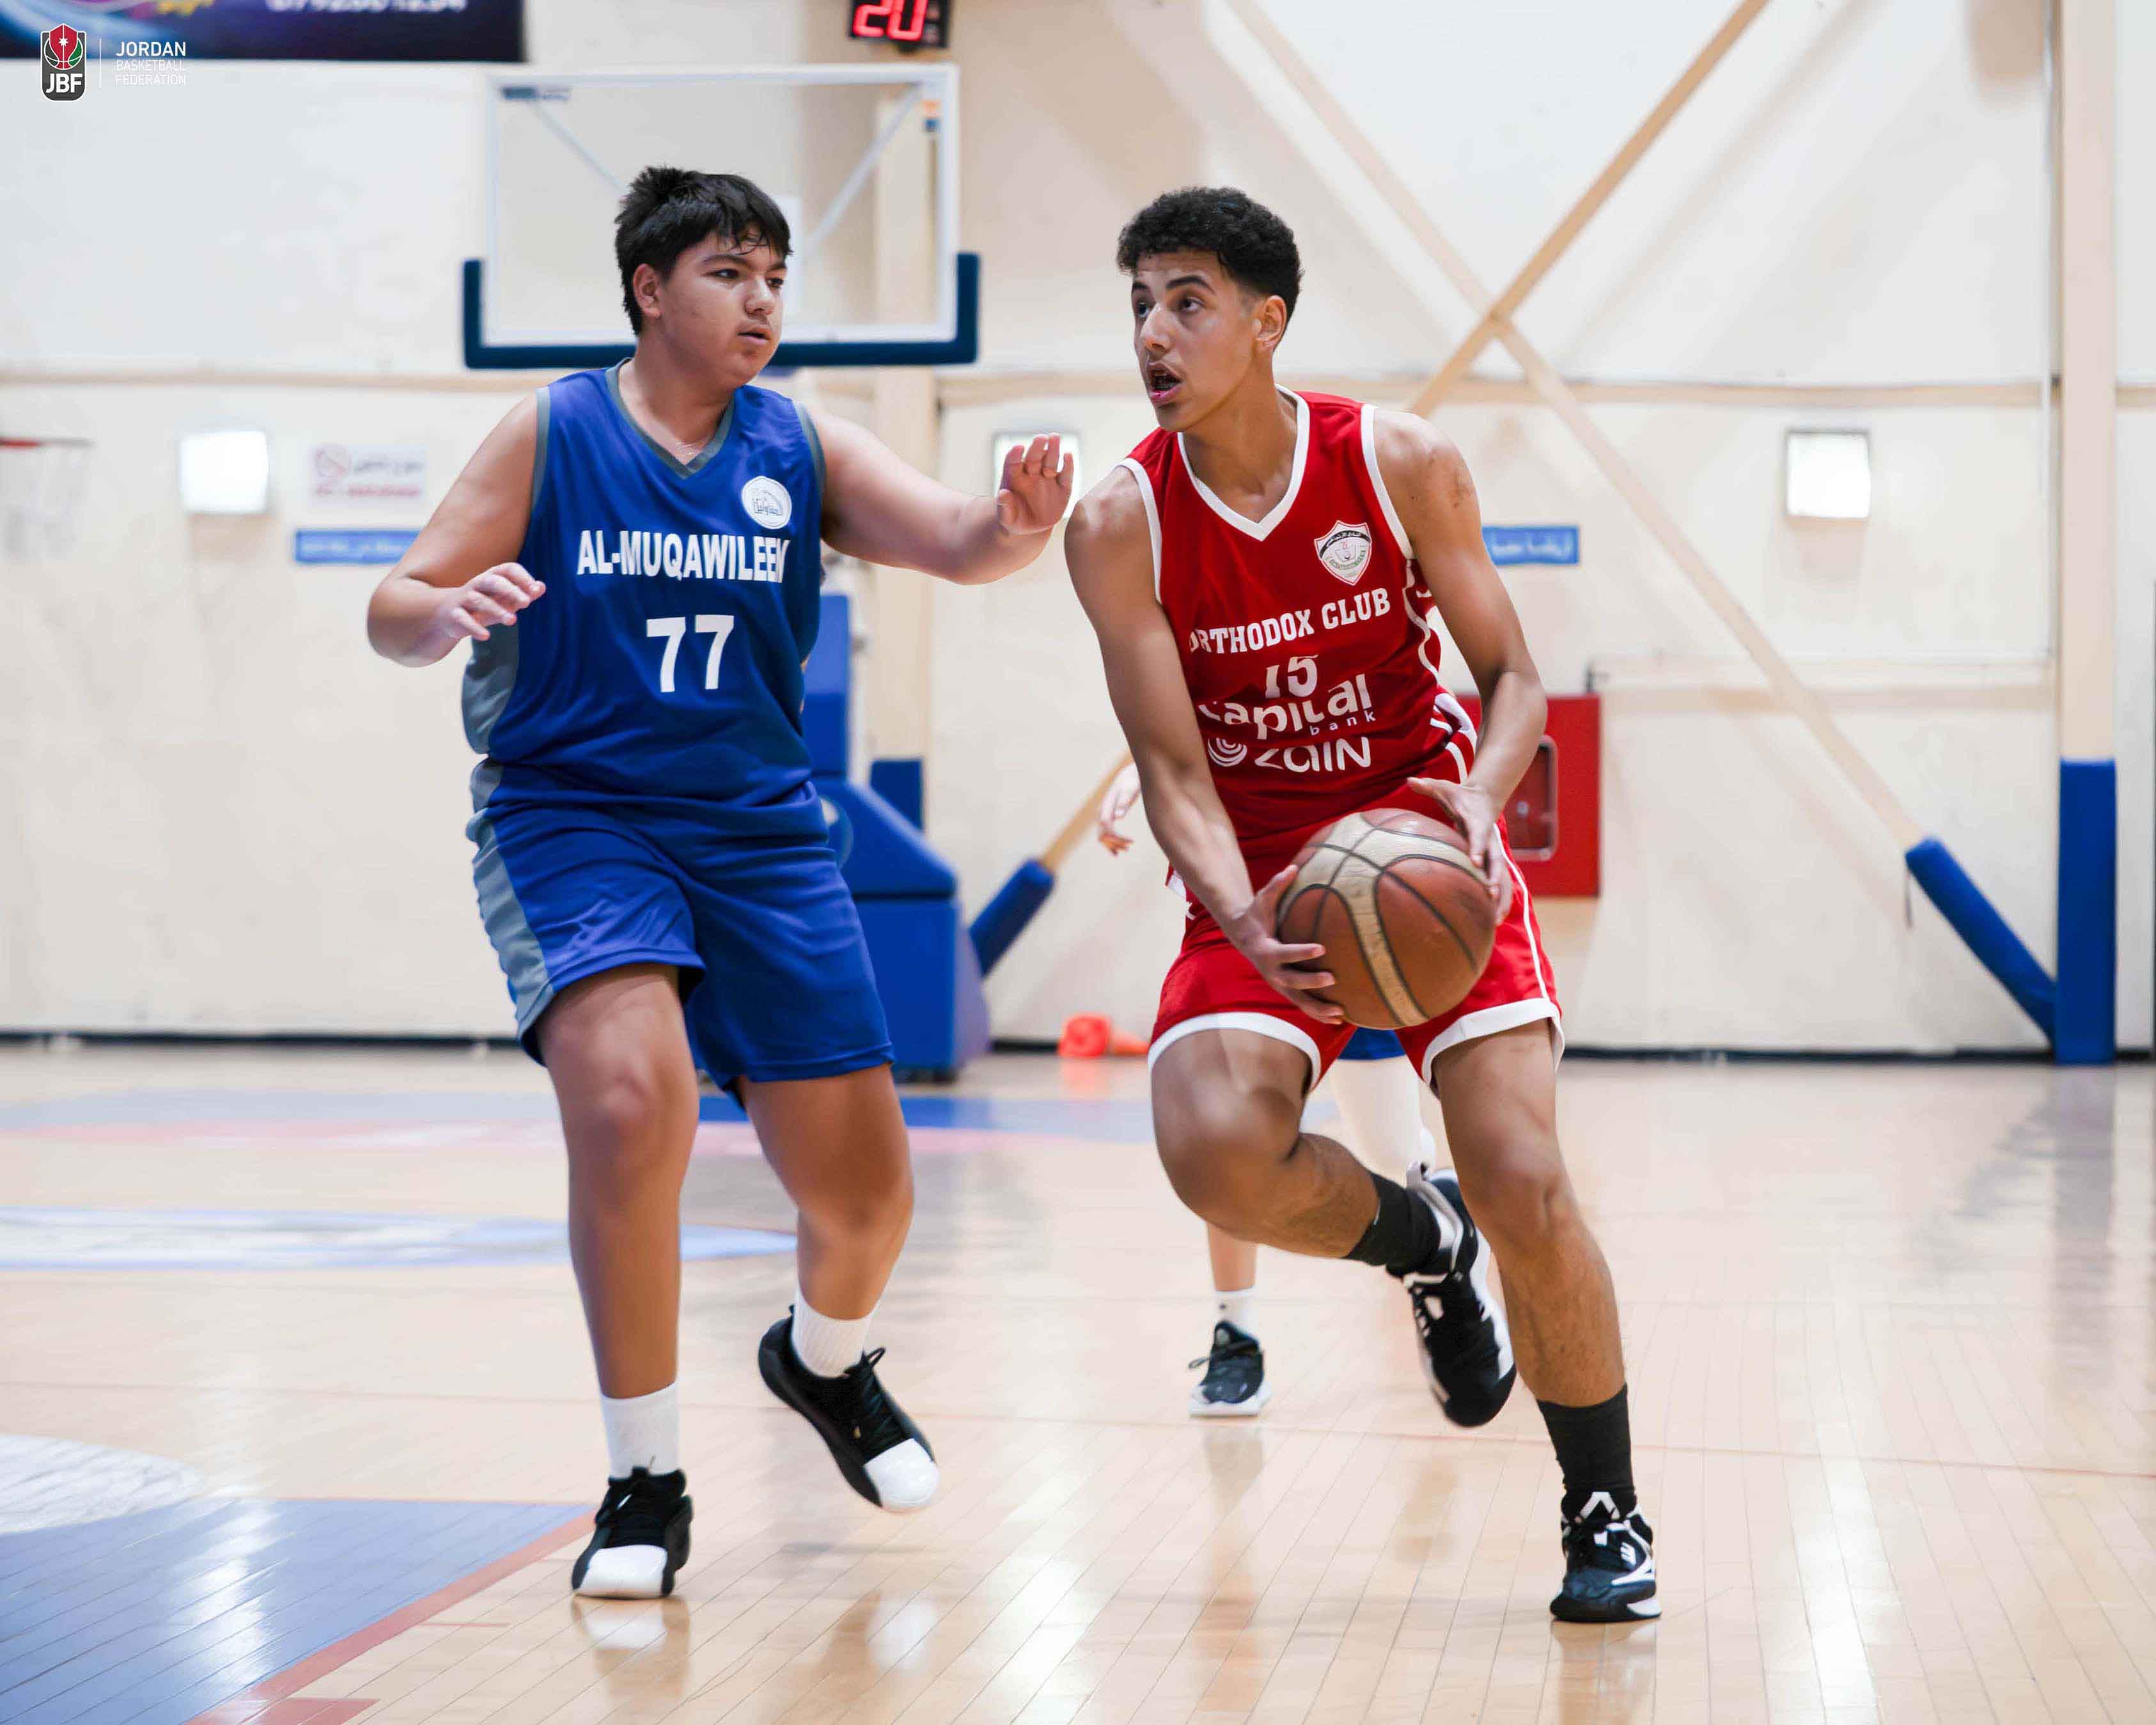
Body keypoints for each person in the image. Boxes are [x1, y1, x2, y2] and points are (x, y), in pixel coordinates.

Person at [365, 168, 1071, 1598]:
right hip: (576, 818)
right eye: (728, 273)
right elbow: (393, 604)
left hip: (758, 833)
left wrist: (1020, 520)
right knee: (633, 1105)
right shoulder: (556, 428)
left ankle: (825, 1361)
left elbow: (957, 542)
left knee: (867, 1198)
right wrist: (443, 611)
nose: (761, 302)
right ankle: (645, 1479)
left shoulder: (797, 443)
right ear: (649, 288)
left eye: (774, 278)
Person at [1063, 187, 1653, 1622]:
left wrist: (1479, 801)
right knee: (1212, 1148)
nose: (1154, 334)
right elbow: (1170, 768)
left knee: (1522, 1172)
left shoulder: (1397, 462)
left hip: (1425, 840)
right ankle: (1421, 1244)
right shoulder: (1120, 521)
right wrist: (1237, 912)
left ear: (1267, 322)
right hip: (1264, 866)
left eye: (1188, 302)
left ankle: (1604, 1505)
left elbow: (1513, 678)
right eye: (1139, 304)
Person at [1095, 765, 1441, 1419]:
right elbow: (1181, 727)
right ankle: (1236, 1334)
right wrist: (1136, 770)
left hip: (1355, 912)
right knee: (1227, 1134)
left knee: (1392, 1151)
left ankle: (1446, 1248)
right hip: (1249, 923)